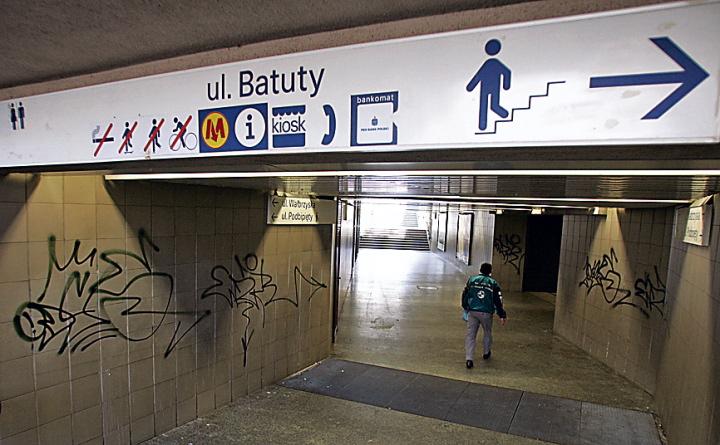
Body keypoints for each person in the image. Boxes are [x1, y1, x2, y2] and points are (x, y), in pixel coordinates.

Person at [462, 262, 507, 368]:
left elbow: (465, 294)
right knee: (487, 332)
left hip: (473, 311)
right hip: (486, 313)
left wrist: (465, 307)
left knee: (471, 335)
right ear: (490, 271)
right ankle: (486, 352)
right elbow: (498, 300)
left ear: (480, 270)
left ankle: (469, 359)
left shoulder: (472, 280)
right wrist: (502, 314)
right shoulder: (493, 283)